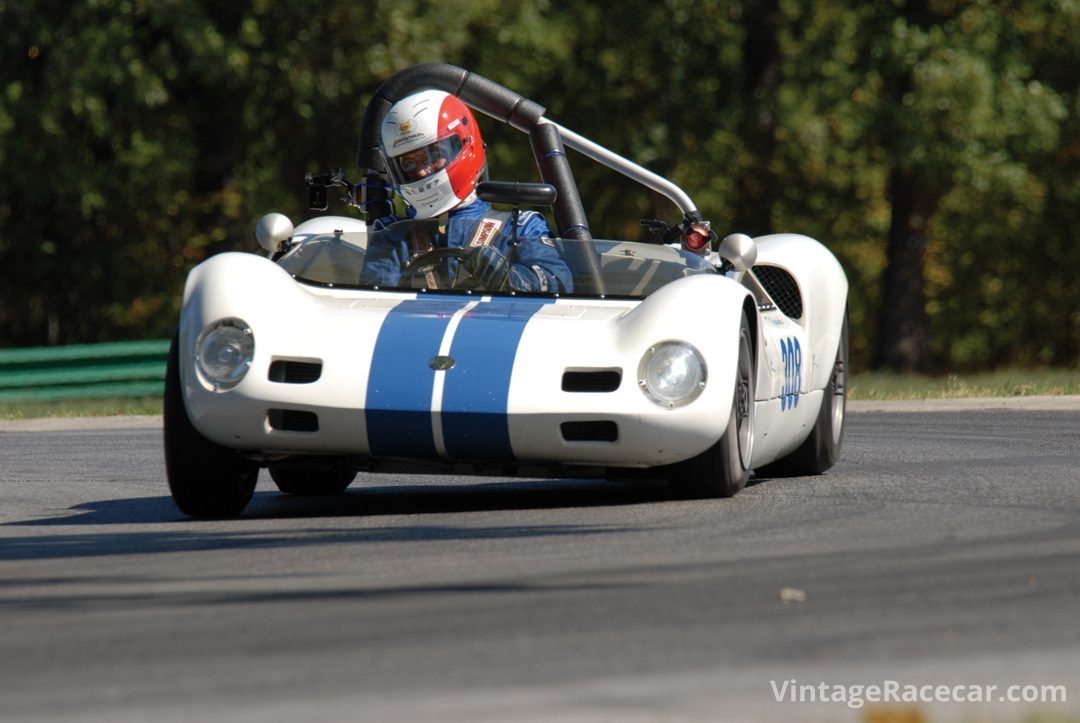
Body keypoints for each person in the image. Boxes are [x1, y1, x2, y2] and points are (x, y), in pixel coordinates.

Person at [359, 90, 572, 293]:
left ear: (465, 146)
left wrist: (515, 280)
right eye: (409, 163)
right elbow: (372, 305)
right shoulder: (393, 236)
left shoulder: (520, 227)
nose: (422, 171)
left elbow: (559, 281)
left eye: (432, 155)